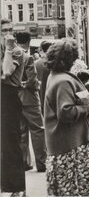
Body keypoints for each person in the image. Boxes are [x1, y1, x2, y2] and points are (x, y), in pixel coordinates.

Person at [44, 39, 89, 196]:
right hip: (68, 145)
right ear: (69, 60)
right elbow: (65, 112)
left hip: (64, 143)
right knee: (70, 189)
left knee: (67, 189)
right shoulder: (63, 81)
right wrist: (87, 109)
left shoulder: (55, 76)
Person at [1, 19, 26, 196]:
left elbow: (7, 73)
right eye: (4, 30)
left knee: (11, 143)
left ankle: (17, 188)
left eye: (10, 29)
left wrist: (8, 49)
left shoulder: (16, 51)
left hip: (9, 97)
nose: (8, 33)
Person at [15, 32, 47, 173]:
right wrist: (37, 84)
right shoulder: (27, 58)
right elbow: (32, 81)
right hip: (29, 98)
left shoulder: (9, 57)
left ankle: (24, 162)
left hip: (15, 99)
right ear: (28, 42)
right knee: (38, 130)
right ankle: (41, 163)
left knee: (21, 131)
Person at [35, 41, 53, 115]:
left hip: (39, 92)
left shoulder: (36, 63)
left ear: (42, 49)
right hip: (51, 91)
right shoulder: (54, 63)